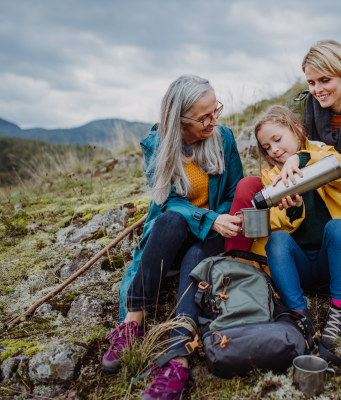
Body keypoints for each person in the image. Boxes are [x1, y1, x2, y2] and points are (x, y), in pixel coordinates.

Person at [226, 40, 341, 340]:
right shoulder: (298, 109)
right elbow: (278, 143)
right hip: (307, 209)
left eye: (325, 80)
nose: (317, 89)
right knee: (252, 189)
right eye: (311, 81)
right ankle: (236, 271)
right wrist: (288, 191)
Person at [103, 75, 244, 400]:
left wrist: (216, 220)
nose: (214, 121)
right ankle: (134, 323)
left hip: (211, 235)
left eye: (216, 110)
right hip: (176, 231)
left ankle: (178, 357)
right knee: (169, 220)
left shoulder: (223, 138)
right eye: (204, 117)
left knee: (197, 257)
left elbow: (235, 191)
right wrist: (207, 218)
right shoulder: (157, 145)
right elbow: (169, 200)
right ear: (179, 121)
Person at [249, 105, 341, 349]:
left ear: (298, 130)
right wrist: (292, 209)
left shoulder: (322, 153)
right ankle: (299, 315)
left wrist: (298, 158)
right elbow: (274, 221)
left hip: (331, 261)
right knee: (277, 241)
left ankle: (338, 310)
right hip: (297, 266)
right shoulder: (272, 177)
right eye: (267, 147)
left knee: (338, 227)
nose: (275, 150)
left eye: (278, 139)